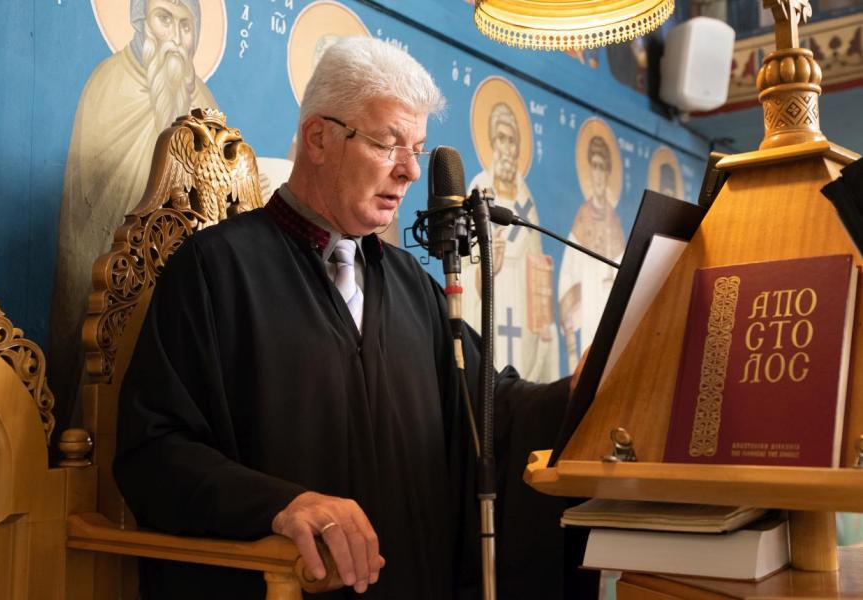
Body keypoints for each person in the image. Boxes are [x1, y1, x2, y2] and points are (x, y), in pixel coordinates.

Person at [114, 38, 586, 599]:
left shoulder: (414, 286)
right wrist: (281, 505)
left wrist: (577, 395)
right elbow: (155, 451)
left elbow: (487, 413)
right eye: (389, 144)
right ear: (319, 138)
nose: (410, 171)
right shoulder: (216, 269)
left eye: (417, 148)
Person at [48, 0, 217, 430]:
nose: (175, 36)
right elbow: (90, 195)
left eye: (186, 25)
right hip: (111, 259)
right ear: (140, 22)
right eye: (164, 19)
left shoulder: (204, 102)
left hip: (179, 273)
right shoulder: (109, 83)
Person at [463, 100, 560, 383]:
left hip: (521, 306)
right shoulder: (478, 189)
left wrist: (543, 318)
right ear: (492, 144)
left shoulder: (526, 200)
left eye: (512, 141)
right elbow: (464, 266)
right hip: (489, 297)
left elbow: (537, 263)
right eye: (501, 139)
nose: (507, 149)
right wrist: (485, 271)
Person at [558, 132, 625, 373]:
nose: (598, 174)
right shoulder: (582, 220)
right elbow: (568, 274)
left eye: (602, 167)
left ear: (608, 173)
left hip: (611, 310)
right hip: (589, 310)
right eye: (594, 166)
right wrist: (571, 306)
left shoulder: (616, 224)